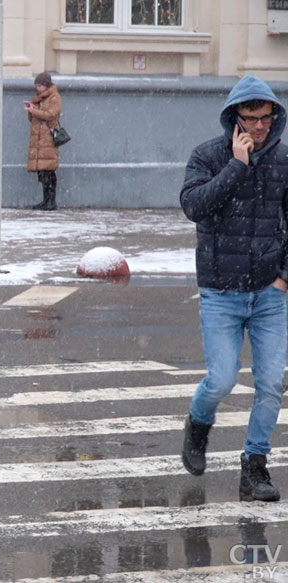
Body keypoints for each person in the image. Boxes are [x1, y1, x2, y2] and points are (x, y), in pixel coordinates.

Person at [180, 75, 288, 503]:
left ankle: (254, 467)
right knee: (222, 380)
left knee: (270, 384)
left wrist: (283, 278)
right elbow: (193, 206)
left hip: (269, 294)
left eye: (266, 119)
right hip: (221, 292)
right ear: (234, 117)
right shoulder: (207, 155)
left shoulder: (283, 162)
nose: (259, 128)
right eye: (251, 119)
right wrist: (236, 166)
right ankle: (198, 424)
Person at [25, 72, 62, 211]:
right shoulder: (39, 99)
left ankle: (51, 201)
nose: (38, 88)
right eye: (37, 85)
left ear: (46, 85)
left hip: (48, 138)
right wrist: (32, 109)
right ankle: (46, 200)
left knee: (48, 171)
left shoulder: (54, 98)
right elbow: (33, 119)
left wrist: (35, 111)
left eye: (40, 85)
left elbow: (50, 115)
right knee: (42, 172)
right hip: (39, 139)